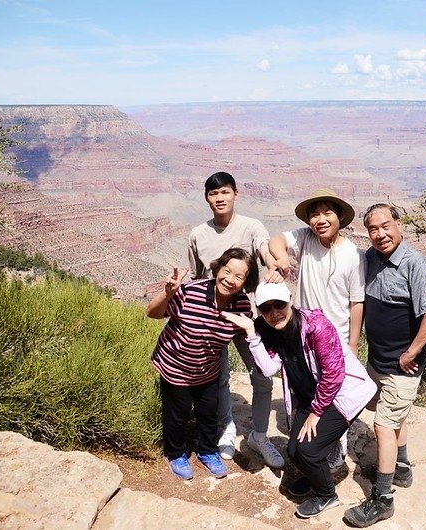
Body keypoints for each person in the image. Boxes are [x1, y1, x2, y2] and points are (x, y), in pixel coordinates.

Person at [222, 282, 376, 519]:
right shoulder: (268, 329)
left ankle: (327, 495)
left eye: (279, 305)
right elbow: (268, 368)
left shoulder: (316, 326)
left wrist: (316, 413)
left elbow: (333, 375)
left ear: (290, 300)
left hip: (341, 395)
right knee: (294, 451)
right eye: (266, 308)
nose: (274, 313)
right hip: (311, 396)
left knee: (307, 451)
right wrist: (252, 334)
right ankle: (317, 474)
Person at [344, 204, 426, 527]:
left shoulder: (414, 263)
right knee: (391, 414)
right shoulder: (370, 259)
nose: (380, 234)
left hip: (402, 367)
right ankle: (400, 468)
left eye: (385, 226)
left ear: (398, 225)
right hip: (378, 362)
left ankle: (382, 499)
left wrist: (412, 351)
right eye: (373, 229)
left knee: (383, 426)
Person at [188, 171, 284, 468]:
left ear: (235, 194)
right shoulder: (197, 234)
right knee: (218, 377)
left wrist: (274, 263)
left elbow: (265, 247)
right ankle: (226, 428)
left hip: (246, 315)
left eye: (225, 192)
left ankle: (258, 435)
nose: (220, 198)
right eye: (214, 194)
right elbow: (194, 278)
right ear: (207, 198)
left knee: (262, 374)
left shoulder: (251, 226)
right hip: (211, 316)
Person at [268, 188, 366, 470]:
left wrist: (354, 343)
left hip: (336, 339)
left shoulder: (353, 255)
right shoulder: (305, 238)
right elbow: (276, 240)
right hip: (303, 336)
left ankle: (338, 449)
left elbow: (357, 302)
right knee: (307, 390)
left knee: (335, 396)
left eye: (326, 212)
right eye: (314, 213)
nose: (320, 219)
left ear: (340, 217)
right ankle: (309, 441)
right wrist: (283, 258)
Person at [147, 247, 260, 480]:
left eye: (239, 276)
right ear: (217, 268)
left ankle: (207, 451)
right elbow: (152, 313)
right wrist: (168, 293)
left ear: (246, 281)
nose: (230, 280)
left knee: (208, 414)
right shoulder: (189, 292)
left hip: (207, 369)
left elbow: (246, 332)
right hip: (175, 366)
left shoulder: (240, 305)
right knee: (176, 414)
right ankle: (176, 453)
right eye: (227, 271)